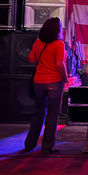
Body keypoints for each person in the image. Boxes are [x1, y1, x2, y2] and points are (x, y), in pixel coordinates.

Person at [24, 17, 68, 154]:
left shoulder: (38, 42)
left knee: (38, 113)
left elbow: (31, 59)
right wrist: (65, 78)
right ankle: (48, 145)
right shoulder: (59, 44)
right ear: (57, 29)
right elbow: (59, 64)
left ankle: (30, 143)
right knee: (53, 114)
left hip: (39, 82)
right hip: (55, 81)